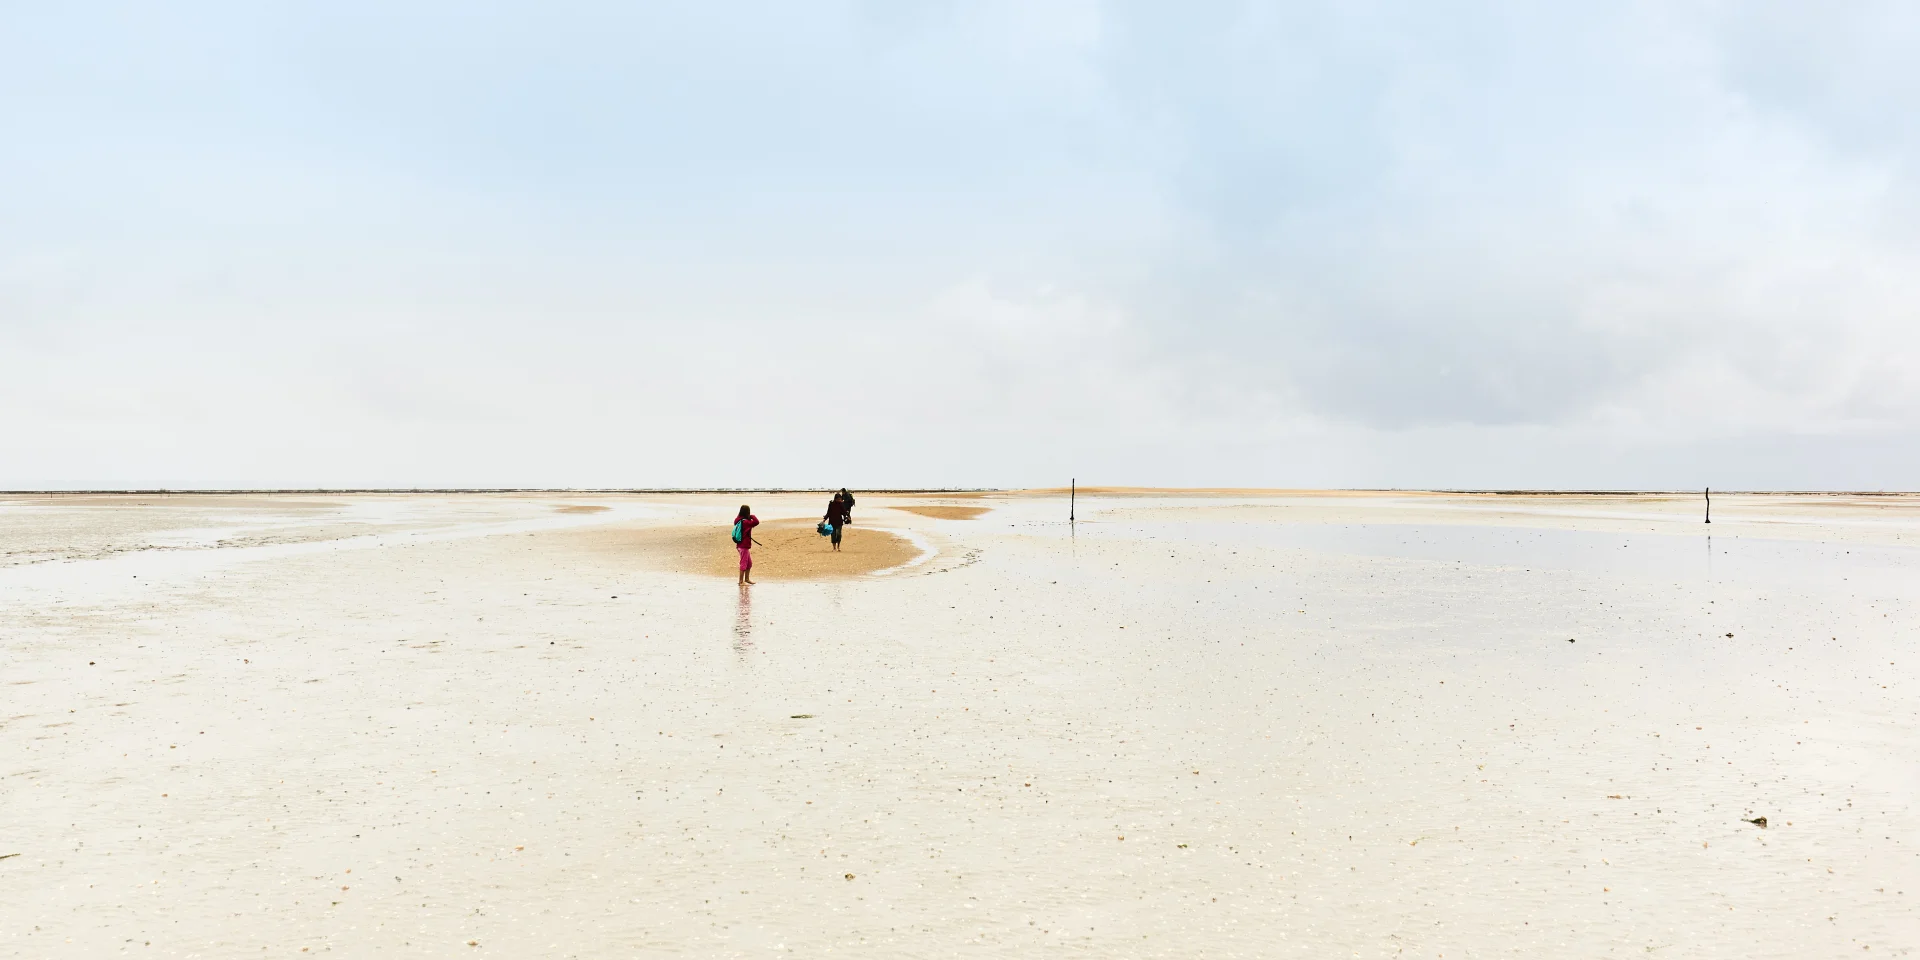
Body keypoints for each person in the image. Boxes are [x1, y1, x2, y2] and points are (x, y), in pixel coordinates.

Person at [732, 505, 761, 584]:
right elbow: (756, 522)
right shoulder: (745, 522)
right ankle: (741, 581)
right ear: (747, 512)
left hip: (740, 545)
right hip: (743, 546)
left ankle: (747, 579)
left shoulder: (738, 520)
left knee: (749, 563)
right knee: (744, 563)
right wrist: (751, 515)